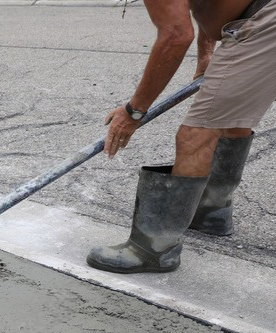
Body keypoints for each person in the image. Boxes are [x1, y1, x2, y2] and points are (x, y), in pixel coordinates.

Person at [87, 0, 275, 273]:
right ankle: (211, 212)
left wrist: (134, 112)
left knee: (195, 134)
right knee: (230, 119)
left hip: (265, 23)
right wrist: (205, 55)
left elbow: (176, 36)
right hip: (261, 17)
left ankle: (154, 248)